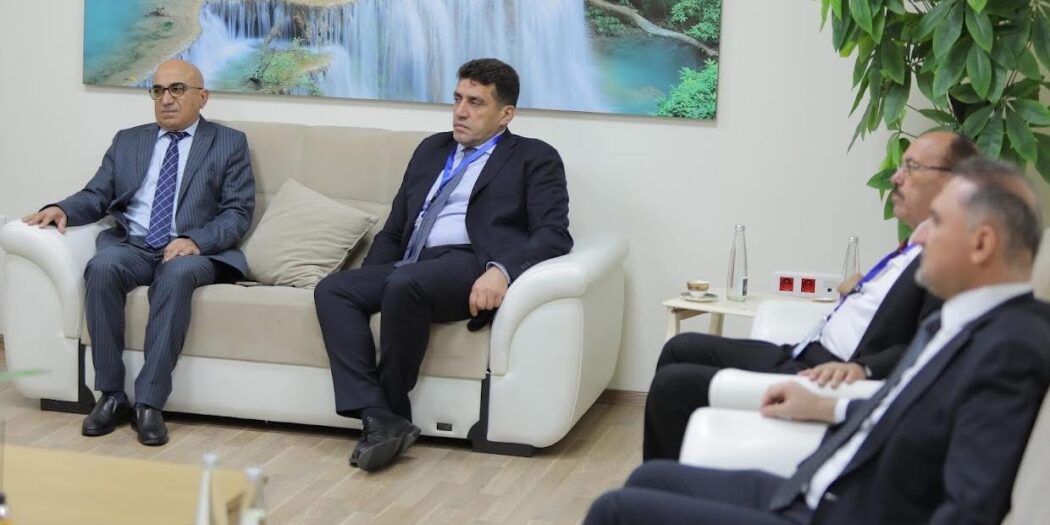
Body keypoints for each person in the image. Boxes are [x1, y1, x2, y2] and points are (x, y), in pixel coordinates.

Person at [585, 157, 1050, 525]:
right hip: (816, 489)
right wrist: (829, 407)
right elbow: (910, 407)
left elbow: (970, 507)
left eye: (937, 222)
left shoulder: (1011, 348)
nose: (921, 235)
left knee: (615, 511)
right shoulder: (962, 321)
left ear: (982, 244)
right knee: (651, 478)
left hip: (839, 513)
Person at [643, 131, 979, 460]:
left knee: (673, 385)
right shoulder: (913, 246)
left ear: (956, 182)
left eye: (912, 167)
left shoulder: (946, 259)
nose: (895, 177)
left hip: (826, 375)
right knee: (679, 347)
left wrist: (864, 368)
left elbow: (931, 345)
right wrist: (859, 289)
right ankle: (667, 475)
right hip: (805, 350)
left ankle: (664, 486)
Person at [313, 58, 572, 472]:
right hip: (413, 262)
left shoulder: (534, 158)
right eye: (457, 99)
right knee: (334, 289)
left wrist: (502, 271)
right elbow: (394, 230)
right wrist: (368, 279)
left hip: (470, 262)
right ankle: (378, 416)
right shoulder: (431, 149)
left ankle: (391, 410)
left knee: (405, 284)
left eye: (475, 103)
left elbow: (553, 233)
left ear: (506, 114)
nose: (460, 112)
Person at [22, 60, 255, 446]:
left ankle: (149, 403)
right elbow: (97, 194)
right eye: (158, 91)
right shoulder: (129, 140)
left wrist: (196, 241)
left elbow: (238, 212)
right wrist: (62, 208)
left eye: (177, 89)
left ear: (202, 97)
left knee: (177, 275)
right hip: (135, 244)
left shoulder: (228, 142)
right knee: (102, 267)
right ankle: (111, 395)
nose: (166, 99)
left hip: (191, 250)